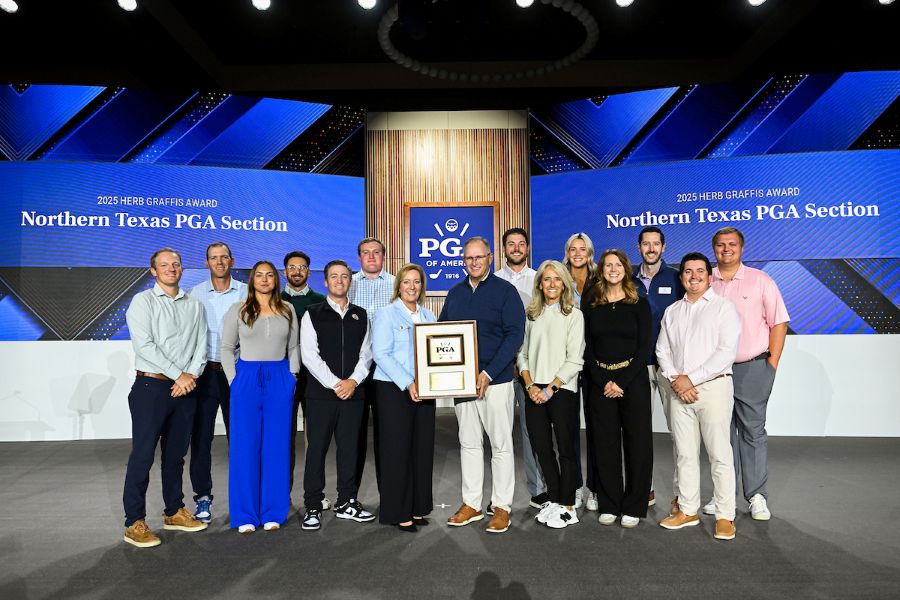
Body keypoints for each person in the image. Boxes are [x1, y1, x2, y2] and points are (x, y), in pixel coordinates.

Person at [122, 248, 208, 548]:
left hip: (185, 389)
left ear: (182, 269)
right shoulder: (142, 301)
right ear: (153, 271)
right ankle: (134, 521)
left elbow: (202, 344)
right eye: (164, 265)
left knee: (175, 456)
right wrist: (178, 375)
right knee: (143, 455)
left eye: (176, 264)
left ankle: (174, 511)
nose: (171, 268)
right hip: (151, 387)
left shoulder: (194, 304)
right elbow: (144, 346)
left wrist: (190, 376)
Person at [440, 237, 524, 534]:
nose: (474, 262)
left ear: (490, 257)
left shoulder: (506, 291)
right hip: (463, 384)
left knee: (501, 445)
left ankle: (501, 507)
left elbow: (515, 335)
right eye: (468, 258)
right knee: (469, 444)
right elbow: (443, 334)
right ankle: (472, 504)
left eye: (479, 257)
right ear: (463, 261)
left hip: (496, 381)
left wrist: (488, 373)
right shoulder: (455, 293)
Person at [657, 252, 741, 541]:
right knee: (685, 454)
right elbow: (662, 350)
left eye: (700, 271)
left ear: (709, 275)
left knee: (719, 454)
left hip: (713, 389)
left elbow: (725, 352)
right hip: (679, 391)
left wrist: (690, 379)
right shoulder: (672, 311)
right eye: (688, 271)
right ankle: (688, 510)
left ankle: (725, 515)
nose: (694, 276)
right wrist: (676, 380)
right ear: (681, 276)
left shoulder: (723, 308)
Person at [709, 227, 789, 521]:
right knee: (720, 434)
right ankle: (723, 495)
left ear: (742, 248)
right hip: (714, 372)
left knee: (752, 432)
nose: (726, 249)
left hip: (753, 367)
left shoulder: (761, 280)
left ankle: (756, 495)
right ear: (714, 249)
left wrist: (772, 363)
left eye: (732, 244)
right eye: (721, 245)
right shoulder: (705, 280)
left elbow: (778, 322)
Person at [221, 260, 300, 533]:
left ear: (276, 280)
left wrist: (292, 377)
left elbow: (294, 347)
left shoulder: (287, 309)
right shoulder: (238, 309)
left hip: (279, 377)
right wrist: (234, 381)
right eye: (259, 275)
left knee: (277, 446)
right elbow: (226, 348)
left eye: (269, 275)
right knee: (245, 446)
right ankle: (245, 514)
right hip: (246, 378)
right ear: (252, 279)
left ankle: (273, 511)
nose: (264, 279)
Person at [300, 260, 375, 530]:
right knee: (316, 450)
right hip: (321, 395)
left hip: (354, 394)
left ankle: (347, 502)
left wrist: (353, 381)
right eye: (334, 276)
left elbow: (367, 354)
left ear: (350, 281)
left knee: (349, 450)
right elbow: (309, 356)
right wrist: (336, 384)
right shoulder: (312, 314)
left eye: (344, 276)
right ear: (326, 281)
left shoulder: (361, 315)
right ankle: (313, 504)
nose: (340, 280)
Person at [583, 249, 652, 528]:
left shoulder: (639, 304)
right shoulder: (592, 305)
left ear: (626, 269)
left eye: (618, 265)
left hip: (632, 382)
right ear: (601, 270)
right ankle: (609, 503)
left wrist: (620, 382)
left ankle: (634, 505)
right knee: (605, 444)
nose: (613, 269)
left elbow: (644, 348)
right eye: (608, 265)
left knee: (638, 444)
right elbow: (586, 347)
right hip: (600, 382)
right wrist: (603, 381)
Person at [517, 260, 585, 529]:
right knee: (542, 448)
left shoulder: (574, 315)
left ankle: (568, 504)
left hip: (562, 389)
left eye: (557, 279)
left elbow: (575, 359)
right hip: (534, 390)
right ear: (540, 284)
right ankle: (555, 499)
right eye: (547, 279)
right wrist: (530, 386)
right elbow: (522, 354)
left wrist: (550, 389)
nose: (552, 284)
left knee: (566, 449)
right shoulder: (531, 315)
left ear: (565, 284)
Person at [371, 263, 438, 532]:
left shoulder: (429, 316)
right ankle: (398, 511)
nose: (412, 287)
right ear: (398, 286)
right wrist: (408, 382)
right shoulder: (386, 314)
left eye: (417, 282)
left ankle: (418, 507)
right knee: (396, 452)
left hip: (425, 390)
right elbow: (380, 354)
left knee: (422, 449)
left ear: (422, 286)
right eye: (406, 282)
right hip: (393, 390)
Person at [188, 242, 247, 524]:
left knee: (241, 437)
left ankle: (243, 497)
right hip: (205, 374)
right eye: (214, 258)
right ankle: (203, 497)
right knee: (201, 439)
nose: (220, 262)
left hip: (237, 372)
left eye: (224, 257)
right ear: (207, 263)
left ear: (232, 261)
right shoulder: (195, 294)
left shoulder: (246, 292)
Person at [493, 227, 548, 511]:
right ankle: (498, 498)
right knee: (499, 434)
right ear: (503, 248)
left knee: (532, 430)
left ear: (527, 248)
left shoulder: (540, 280)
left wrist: (524, 364)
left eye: (521, 243)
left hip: (531, 370)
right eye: (511, 244)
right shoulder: (492, 281)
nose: (516, 248)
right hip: (500, 369)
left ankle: (538, 490)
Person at [631, 227, 683, 509]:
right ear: (639, 247)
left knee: (679, 432)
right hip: (638, 365)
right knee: (639, 432)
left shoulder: (676, 278)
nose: (651, 249)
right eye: (646, 244)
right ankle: (645, 488)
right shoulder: (627, 279)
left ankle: (681, 493)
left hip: (669, 366)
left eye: (656, 244)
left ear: (663, 247)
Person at [348, 237, 395, 495]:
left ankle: (389, 494)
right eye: (366, 252)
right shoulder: (349, 283)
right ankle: (350, 496)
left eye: (376, 252)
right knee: (354, 433)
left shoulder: (397, 284)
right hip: (356, 368)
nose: (371, 256)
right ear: (359, 257)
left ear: (383, 256)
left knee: (387, 433)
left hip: (388, 369)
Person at [281, 250, 327, 501]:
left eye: (301, 267)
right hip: (284, 377)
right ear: (284, 271)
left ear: (308, 271)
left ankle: (314, 494)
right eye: (292, 267)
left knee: (315, 439)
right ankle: (282, 493)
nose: (297, 271)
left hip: (314, 378)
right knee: (284, 437)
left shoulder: (320, 301)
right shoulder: (275, 300)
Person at [563, 232, 600, 511]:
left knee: (597, 427)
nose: (577, 253)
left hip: (594, 361)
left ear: (589, 252)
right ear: (567, 252)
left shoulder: (600, 280)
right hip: (565, 363)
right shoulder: (558, 278)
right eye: (573, 249)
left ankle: (596, 488)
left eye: (582, 249)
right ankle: (574, 486)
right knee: (568, 428)